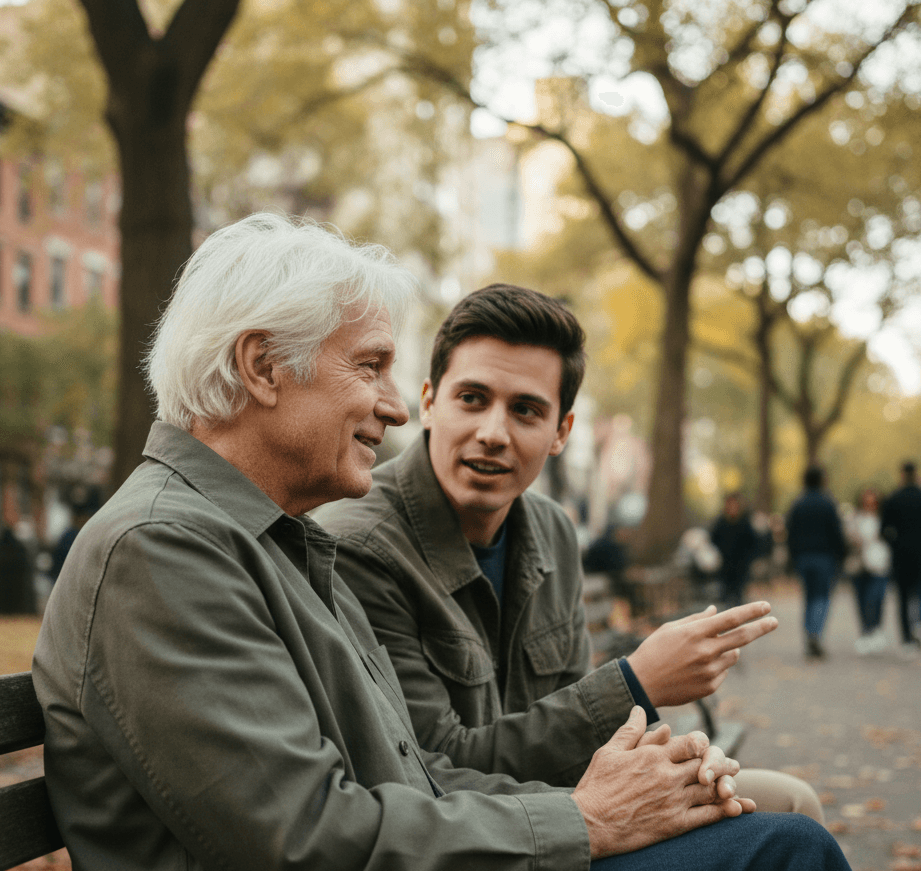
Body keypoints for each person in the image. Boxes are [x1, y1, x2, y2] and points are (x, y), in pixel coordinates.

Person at [32, 215, 920, 871]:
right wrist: (586, 820)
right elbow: (309, 844)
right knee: (789, 864)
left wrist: (610, 800)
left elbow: (416, 777)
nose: (392, 407)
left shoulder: (271, 543)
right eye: (369, 367)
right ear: (263, 367)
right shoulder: (161, 551)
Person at [318, 283, 821, 820]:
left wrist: (670, 758)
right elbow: (429, 768)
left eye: (526, 411)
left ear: (560, 432)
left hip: (568, 801)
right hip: (487, 833)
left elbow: (576, 726)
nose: (493, 432)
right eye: (472, 399)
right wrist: (637, 683)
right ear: (428, 403)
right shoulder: (359, 546)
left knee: (789, 803)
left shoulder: (551, 530)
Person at [786, 465, 846, 659]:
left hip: (803, 558)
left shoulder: (798, 504)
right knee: (822, 597)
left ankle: (809, 634)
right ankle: (816, 633)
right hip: (824, 558)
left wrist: (793, 557)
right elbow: (836, 532)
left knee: (808, 596)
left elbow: (790, 533)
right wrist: (842, 556)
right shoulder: (828, 503)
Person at [881, 460, 921, 652]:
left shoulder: (894, 498)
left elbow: (884, 529)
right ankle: (918, 624)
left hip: (901, 555)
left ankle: (907, 638)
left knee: (903, 598)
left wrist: (895, 544)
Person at [846, 488, 891, 655]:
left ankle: (875, 629)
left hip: (879, 565)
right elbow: (847, 537)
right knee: (861, 601)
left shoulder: (884, 519)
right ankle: (865, 632)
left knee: (875, 599)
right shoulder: (854, 518)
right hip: (859, 566)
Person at [709, 491, 761, 608]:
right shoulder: (721, 522)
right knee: (725, 596)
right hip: (725, 565)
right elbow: (713, 539)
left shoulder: (745, 522)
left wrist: (749, 558)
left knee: (739, 595)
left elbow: (753, 542)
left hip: (741, 566)